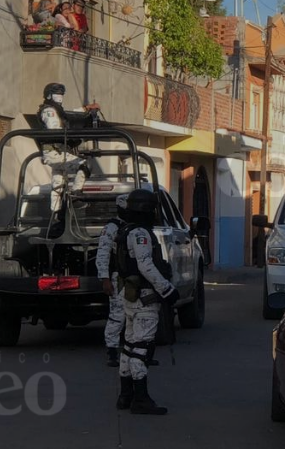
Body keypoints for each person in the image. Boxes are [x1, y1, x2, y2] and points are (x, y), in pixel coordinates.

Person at [112, 189, 179, 415]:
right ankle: (140, 399)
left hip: (131, 296)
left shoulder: (125, 230)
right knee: (141, 348)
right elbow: (145, 265)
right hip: (144, 297)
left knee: (130, 346)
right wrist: (168, 290)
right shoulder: (140, 233)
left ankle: (125, 395)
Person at [38, 82, 101, 221]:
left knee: (58, 185)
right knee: (84, 165)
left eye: (61, 94)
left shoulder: (57, 110)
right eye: (57, 94)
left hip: (59, 151)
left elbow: (69, 116)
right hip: (55, 152)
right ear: (49, 95)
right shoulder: (49, 111)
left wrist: (86, 109)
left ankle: (55, 218)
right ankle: (76, 195)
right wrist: (74, 137)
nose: (60, 97)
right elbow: (55, 130)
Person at [97, 194, 129, 367]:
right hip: (118, 277)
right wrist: (105, 278)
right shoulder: (112, 227)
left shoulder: (134, 227)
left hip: (134, 278)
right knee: (117, 316)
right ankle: (112, 350)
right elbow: (103, 254)